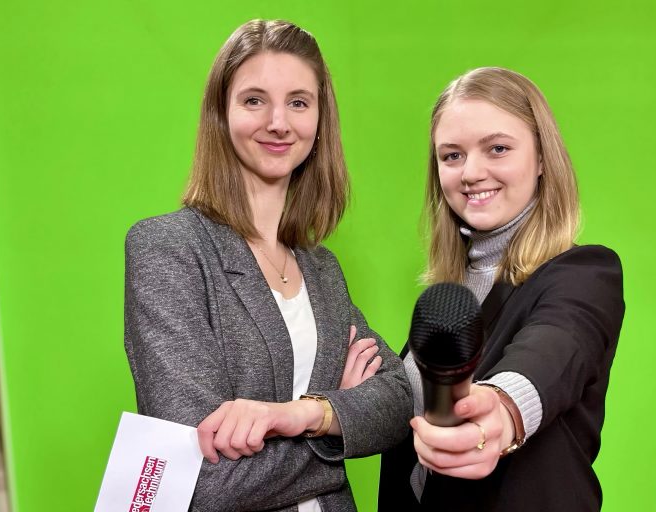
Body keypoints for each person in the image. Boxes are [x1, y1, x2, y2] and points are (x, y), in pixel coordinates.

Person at [124, 19, 411, 512]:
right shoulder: (168, 249)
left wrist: (308, 414)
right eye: (254, 100)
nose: (279, 122)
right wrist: (337, 427)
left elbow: (399, 399)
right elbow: (200, 479)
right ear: (221, 113)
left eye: (298, 102)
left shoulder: (321, 269)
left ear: (320, 119)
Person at [378, 67, 625, 511]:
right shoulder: (455, 295)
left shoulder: (583, 275)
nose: (471, 172)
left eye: (497, 148)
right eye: (452, 156)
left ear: (543, 158)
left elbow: (553, 350)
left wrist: (502, 409)